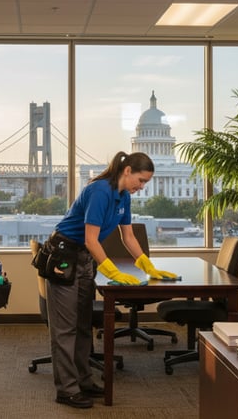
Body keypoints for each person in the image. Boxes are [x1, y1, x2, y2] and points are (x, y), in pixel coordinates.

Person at [43, 151, 177, 409]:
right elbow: (91, 238)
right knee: (65, 328)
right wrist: (112, 271)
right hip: (64, 255)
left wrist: (148, 266)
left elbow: (128, 237)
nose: (142, 186)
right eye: (141, 180)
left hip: (83, 259)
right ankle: (66, 390)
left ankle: (83, 381)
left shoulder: (124, 196)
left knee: (82, 325)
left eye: (146, 182)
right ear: (127, 171)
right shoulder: (100, 191)